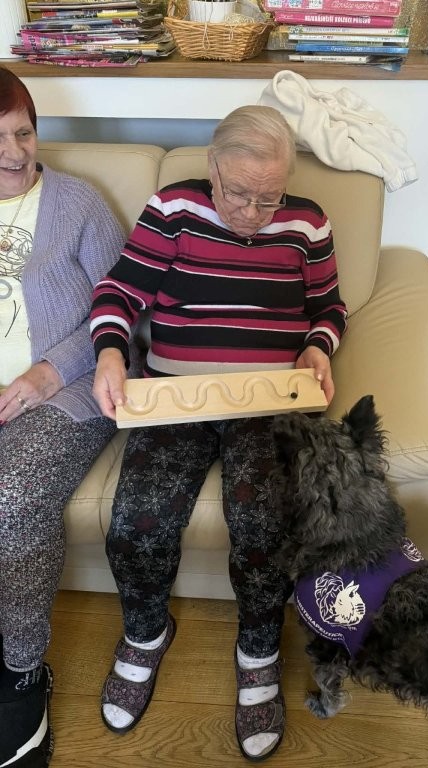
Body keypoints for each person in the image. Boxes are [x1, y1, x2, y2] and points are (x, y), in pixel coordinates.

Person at [90, 104, 347, 761]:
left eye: (269, 197)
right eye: (238, 194)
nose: (253, 214)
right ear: (211, 168)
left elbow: (328, 306)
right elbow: (118, 292)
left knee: (264, 521)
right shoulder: (174, 209)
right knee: (137, 518)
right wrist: (111, 352)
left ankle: (258, 649)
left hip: (269, 400)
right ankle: (146, 634)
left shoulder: (308, 222)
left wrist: (317, 345)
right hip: (177, 395)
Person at [0, 67, 126, 768]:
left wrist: (45, 373)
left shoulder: (78, 204)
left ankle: (23, 671)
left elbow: (125, 312)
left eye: (24, 133)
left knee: (12, 496)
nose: (15, 154)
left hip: (66, 394)